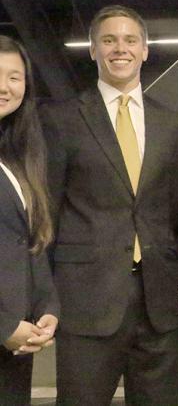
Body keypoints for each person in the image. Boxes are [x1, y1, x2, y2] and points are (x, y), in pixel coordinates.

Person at [40, 5, 178, 405]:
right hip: (86, 301)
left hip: (158, 304)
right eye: (108, 40)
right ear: (93, 50)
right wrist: (44, 296)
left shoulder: (171, 125)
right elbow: (46, 213)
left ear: (144, 50)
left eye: (129, 40)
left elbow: (175, 210)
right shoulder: (61, 119)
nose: (120, 48)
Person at [0, 36, 59, 405]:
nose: (4, 87)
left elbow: (29, 241)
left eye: (14, 77)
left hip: (18, 342)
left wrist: (47, 307)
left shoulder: (19, 154)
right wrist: (4, 327)